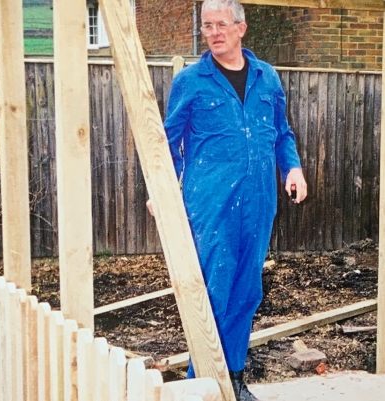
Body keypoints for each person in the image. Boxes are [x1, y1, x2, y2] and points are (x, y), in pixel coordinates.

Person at [156, 0, 307, 399]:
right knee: (213, 289)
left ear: (241, 28)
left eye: (221, 24)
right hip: (210, 203)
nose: (214, 32)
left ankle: (234, 380)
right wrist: (161, 190)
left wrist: (292, 168)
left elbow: (282, 133)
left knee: (247, 291)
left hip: (259, 201)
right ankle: (201, 383)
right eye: (207, 26)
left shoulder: (267, 78)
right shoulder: (191, 81)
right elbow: (167, 144)